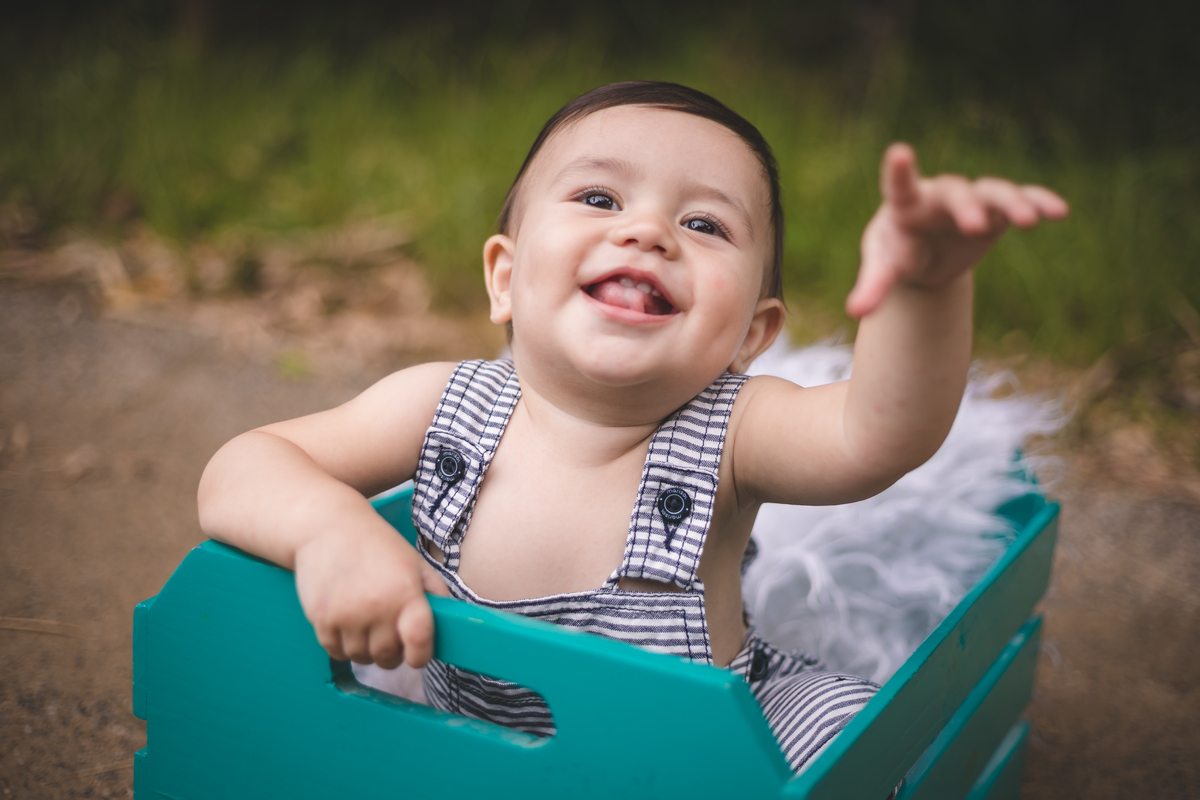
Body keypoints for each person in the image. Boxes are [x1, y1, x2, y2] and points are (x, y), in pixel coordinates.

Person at [197, 81, 1067, 773]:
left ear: (751, 339)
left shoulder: (733, 430)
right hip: (467, 733)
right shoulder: (440, 405)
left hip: (696, 748)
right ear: (504, 278)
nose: (647, 231)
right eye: (599, 196)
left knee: (851, 740)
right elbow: (245, 464)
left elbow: (879, 434)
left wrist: (925, 289)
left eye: (704, 224)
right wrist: (330, 532)